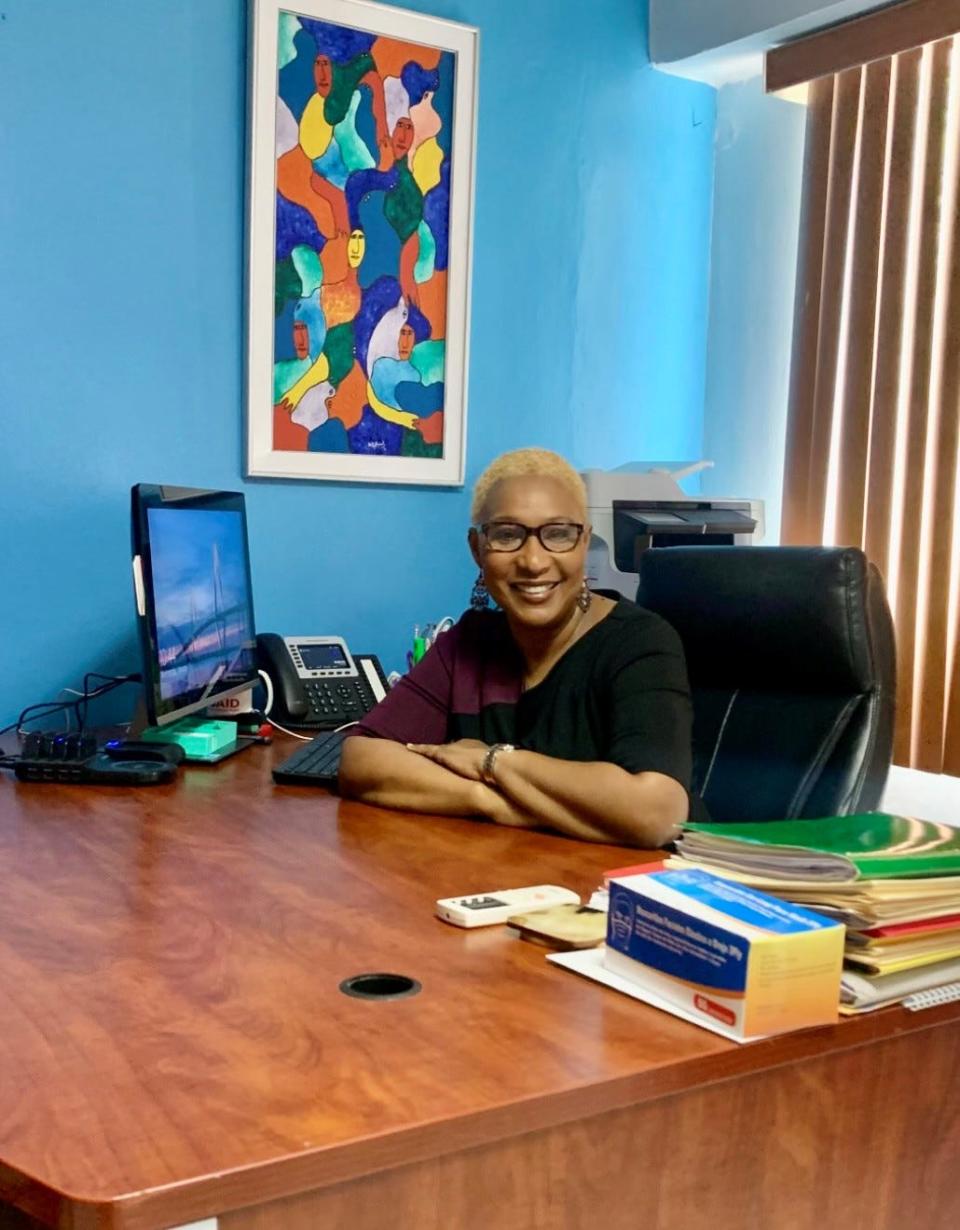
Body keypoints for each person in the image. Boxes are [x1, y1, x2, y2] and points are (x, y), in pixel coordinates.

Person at [338, 448, 697, 846]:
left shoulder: (640, 643)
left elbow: (656, 814)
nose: (533, 561)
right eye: (507, 535)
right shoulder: (469, 643)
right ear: (477, 549)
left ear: (584, 544)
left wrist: (491, 760)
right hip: (508, 882)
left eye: (558, 534)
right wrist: (488, 800)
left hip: (626, 895)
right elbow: (362, 759)